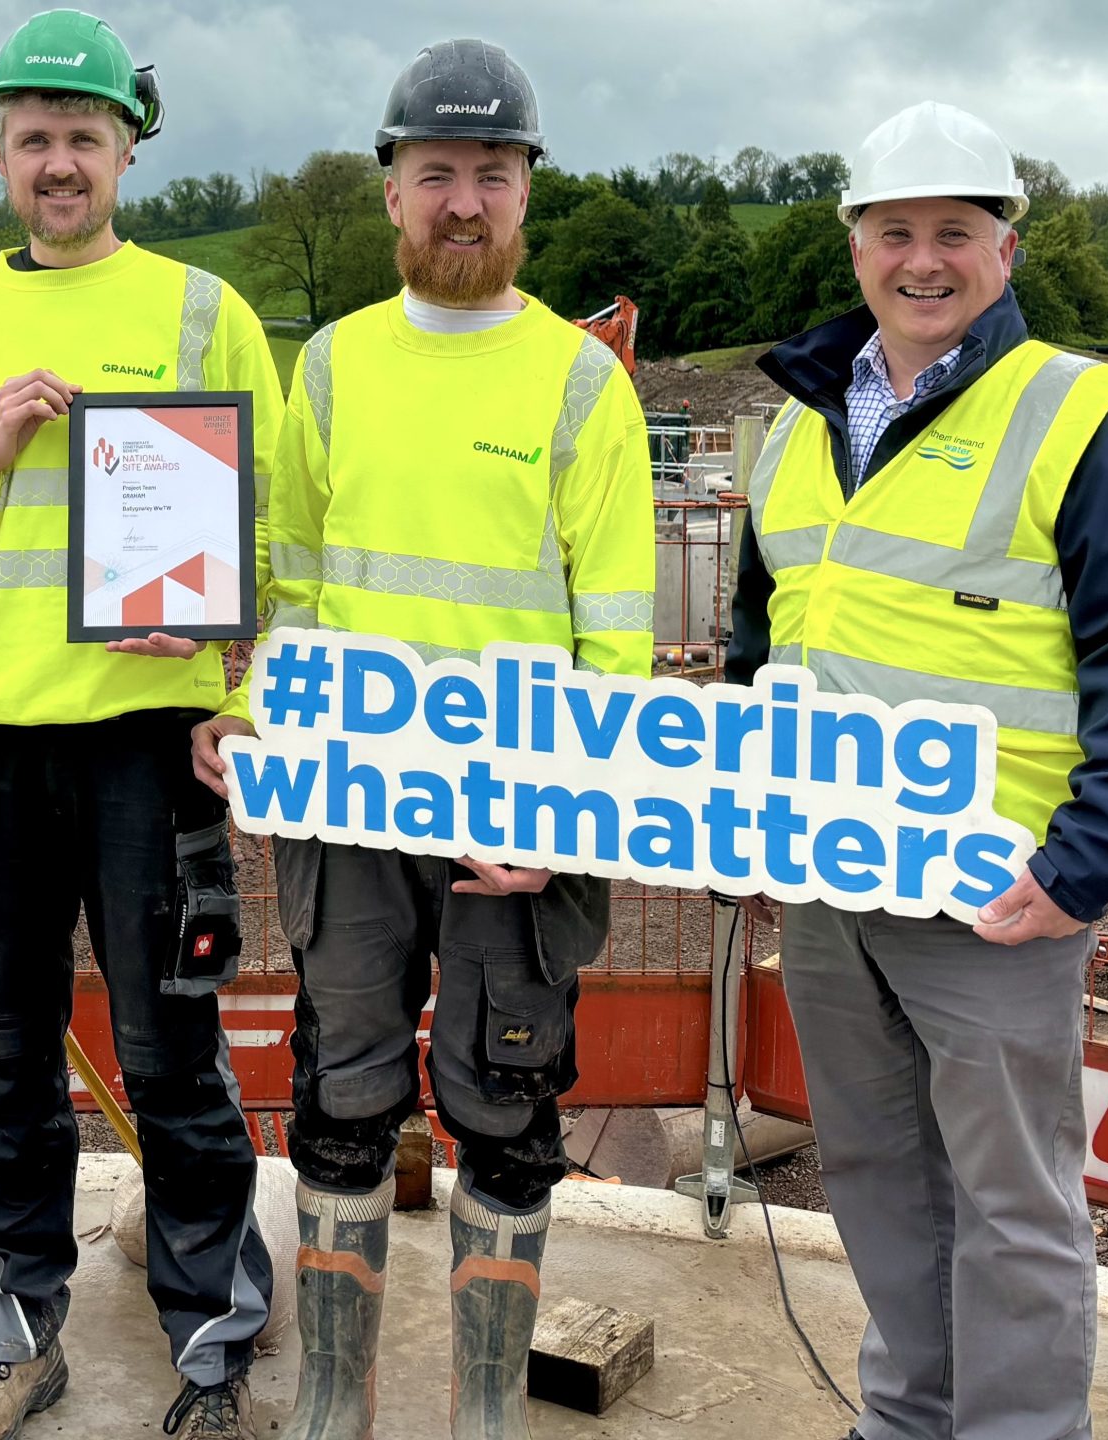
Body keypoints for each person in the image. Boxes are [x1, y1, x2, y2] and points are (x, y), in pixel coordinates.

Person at [191, 38, 656, 1440]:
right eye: (437, 171)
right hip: (348, 810)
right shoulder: (330, 369)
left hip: (517, 826)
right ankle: (337, 1402)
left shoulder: (582, 386)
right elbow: (297, 582)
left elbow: (615, 636)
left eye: (493, 174)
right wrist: (248, 715)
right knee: (341, 1090)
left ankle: (485, 1415)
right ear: (391, 190)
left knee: (506, 1098)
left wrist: (567, 813)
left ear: (527, 198)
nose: (465, 200)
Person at [724, 101, 1108, 1440]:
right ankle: (907, 1420)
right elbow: (765, 643)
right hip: (829, 875)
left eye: (954, 232)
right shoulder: (801, 425)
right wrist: (753, 830)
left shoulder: (1080, 415)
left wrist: (1085, 866)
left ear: (1006, 248)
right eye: (894, 232)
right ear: (856, 246)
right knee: (876, 1174)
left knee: (1014, 1203)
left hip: (1000, 890)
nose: (921, 260)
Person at [0, 11, 281, 1438]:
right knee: (9, 1048)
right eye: (34, 138)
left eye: (83, 137)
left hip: (149, 742)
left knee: (171, 1049)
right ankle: (14, 1319)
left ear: (126, 151)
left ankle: (214, 1326)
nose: (58, 162)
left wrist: (228, 682)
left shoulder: (201, 313)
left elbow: (272, 533)